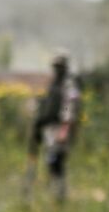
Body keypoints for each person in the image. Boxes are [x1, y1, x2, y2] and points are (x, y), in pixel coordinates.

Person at [26, 50, 82, 202]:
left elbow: (68, 107)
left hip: (60, 128)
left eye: (59, 66)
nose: (56, 69)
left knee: (56, 162)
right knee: (50, 161)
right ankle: (54, 194)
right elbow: (48, 102)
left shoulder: (68, 84)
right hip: (50, 128)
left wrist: (65, 128)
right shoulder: (55, 83)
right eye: (55, 66)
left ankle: (59, 196)